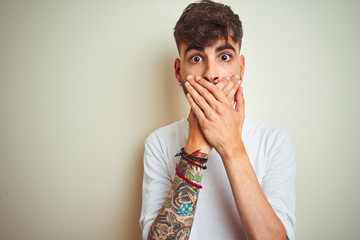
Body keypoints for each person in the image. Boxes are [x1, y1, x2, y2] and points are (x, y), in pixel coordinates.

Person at [139, 0, 296, 239]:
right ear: (178, 71)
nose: (211, 74)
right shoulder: (158, 143)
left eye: (224, 56)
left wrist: (231, 146)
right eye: (196, 58)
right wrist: (195, 148)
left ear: (241, 67)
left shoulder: (275, 142)